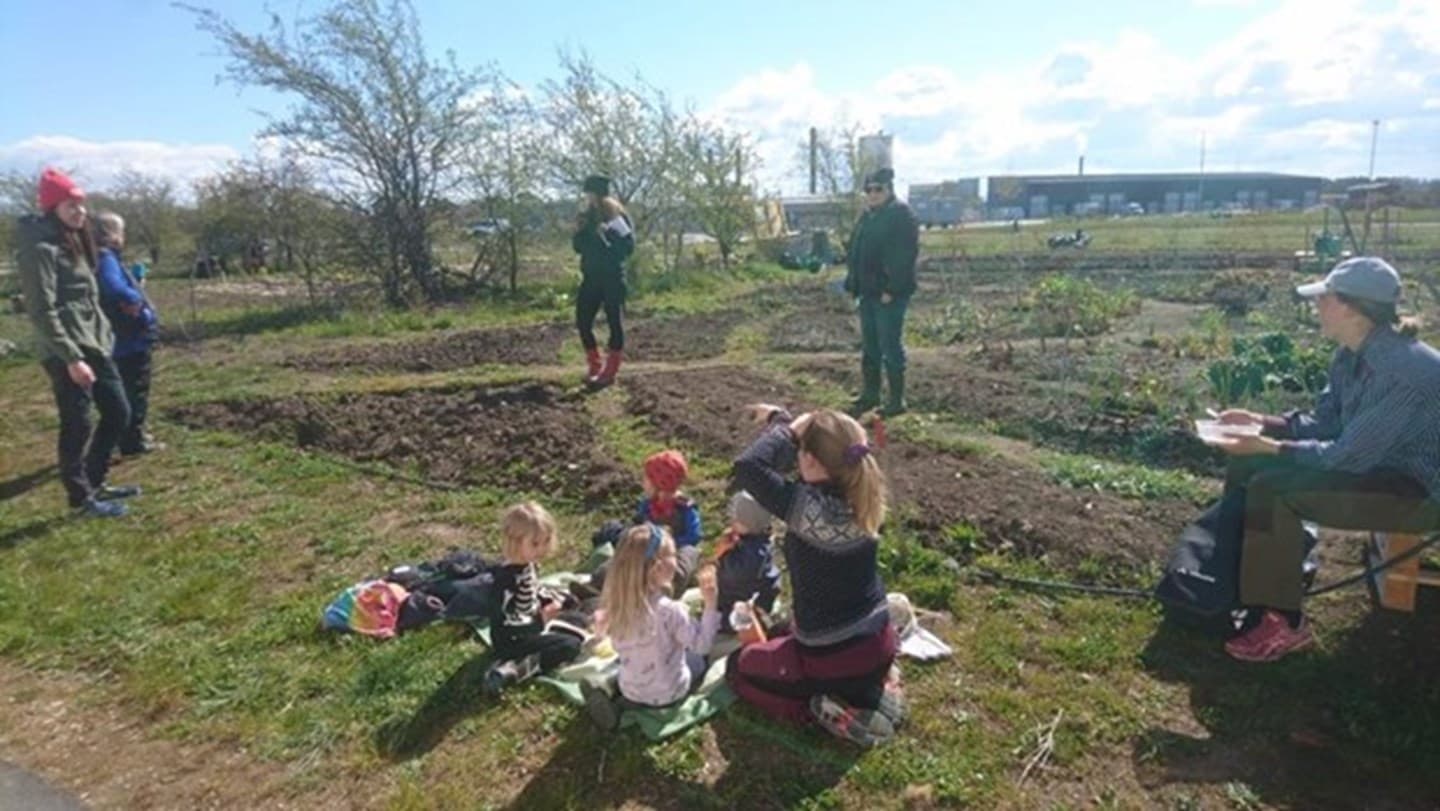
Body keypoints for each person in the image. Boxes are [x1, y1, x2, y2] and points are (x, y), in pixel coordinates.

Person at [1209, 257, 1440, 663]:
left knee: (1274, 489)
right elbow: (1326, 422)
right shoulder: (1351, 355)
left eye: (1325, 299)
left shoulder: (1404, 371)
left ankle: (1284, 622)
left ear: (1351, 307)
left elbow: (1345, 457)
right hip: (1381, 467)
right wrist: (1262, 422)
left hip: (1418, 489)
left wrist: (1267, 445)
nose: (1317, 307)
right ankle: (1233, 576)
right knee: (1248, 467)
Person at [725, 405, 903, 746]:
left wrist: (788, 429)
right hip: (878, 640)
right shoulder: (864, 497)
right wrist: (787, 421)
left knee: (740, 666)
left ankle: (823, 707)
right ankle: (877, 686)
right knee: (779, 631)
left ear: (810, 461)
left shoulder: (810, 512)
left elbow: (748, 468)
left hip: (831, 656)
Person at [16, 169, 137, 518]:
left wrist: (103, 335)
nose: (80, 211)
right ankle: (81, 499)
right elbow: (43, 309)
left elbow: (88, 297)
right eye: (71, 205)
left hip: (93, 344)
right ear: (53, 207)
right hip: (67, 350)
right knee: (77, 423)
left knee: (118, 411)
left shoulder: (73, 240)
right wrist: (71, 357)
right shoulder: (40, 249)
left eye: (81, 204)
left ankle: (95, 480)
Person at [580, 524, 721, 731]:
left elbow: (610, 640)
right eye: (673, 554)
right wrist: (710, 605)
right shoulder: (671, 611)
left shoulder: (618, 605)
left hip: (631, 687)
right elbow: (702, 645)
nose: (677, 559)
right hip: (669, 692)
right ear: (657, 567)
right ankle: (627, 696)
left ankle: (617, 698)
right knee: (699, 659)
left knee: (633, 658)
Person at [483, 502, 583, 693]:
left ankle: (519, 661)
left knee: (578, 620)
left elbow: (534, 590)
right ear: (515, 542)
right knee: (570, 646)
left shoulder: (528, 565)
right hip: (512, 641)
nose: (542, 549)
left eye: (546, 541)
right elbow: (504, 622)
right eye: (535, 543)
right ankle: (511, 670)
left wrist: (557, 600)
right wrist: (540, 620)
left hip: (531, 626)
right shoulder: (506, 580)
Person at [843, 167, 919, 417]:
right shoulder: (868, 216)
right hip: (867, 292)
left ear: (889, 190)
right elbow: (856, 250)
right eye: (869, 190)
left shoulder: (900, 215)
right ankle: (870, 394)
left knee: (890, 346)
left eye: (878, 189)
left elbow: (904, 256)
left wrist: (892, 289)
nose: (873, 194)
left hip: (889, 295)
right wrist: (853, 283)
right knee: (870, 347)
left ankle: (897, 401)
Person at [93, 212, 162, 457]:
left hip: (118, 338)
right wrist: (135, 302)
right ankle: (133, 441)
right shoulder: (106, 258)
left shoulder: (96, 257)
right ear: (111, 235)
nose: (123, 237)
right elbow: (113, 286)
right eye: (121, 231)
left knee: (125, 388)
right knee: (136, 388)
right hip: (129, 338)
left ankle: (128, 434)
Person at [572, 174, 634, 389]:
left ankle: (611, 369)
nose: (588, 198)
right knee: (582, 321)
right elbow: (578, 248)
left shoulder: (616, 217)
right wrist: (580, 232)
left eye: (590, 193)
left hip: (612, 277)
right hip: (591, 277)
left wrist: (607, 238)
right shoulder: (586, 216)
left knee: (614, 322)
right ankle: (594, 363)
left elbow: (627, 247)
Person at [713, 490, 781, 633]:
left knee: (722, 620)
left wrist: (723, 554)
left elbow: (733, 580)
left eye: (736, 520)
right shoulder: (757, 540)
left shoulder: (753, 556)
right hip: (759, 589)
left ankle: (731, 626)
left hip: (743, 603)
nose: (731, 522)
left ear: (749, 524)